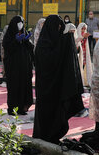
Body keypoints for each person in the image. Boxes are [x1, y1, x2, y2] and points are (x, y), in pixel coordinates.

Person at [33, 15, 84, 144]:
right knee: (45, 115)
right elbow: (49, 61)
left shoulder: (56, 43)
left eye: (61, 27)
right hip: (45, 90)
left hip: (56, 89)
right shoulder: (42, 45)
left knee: (57, 114)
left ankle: (53, 135)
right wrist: (65, 42)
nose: (60, 30)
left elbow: (61, 59)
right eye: (58, 27)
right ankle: (44, 137)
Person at [3, 16, 34, 115]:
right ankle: (13, 108)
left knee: (24, 86)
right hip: (13, 68)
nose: (21, 25)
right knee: (14, 87)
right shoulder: (9, 35)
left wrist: (27, 40)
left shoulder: (23, 33)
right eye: (19, 23)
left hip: (24, 67)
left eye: (22, 22)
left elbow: (30, 49)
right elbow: (7, 48)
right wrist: (15, 41)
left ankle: (22, 107)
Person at [75, 22, 93, 88]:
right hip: (79, 53)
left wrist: (85, 38)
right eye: (82, 29)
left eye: (84, 29)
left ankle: (83, 81)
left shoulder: (84, 35)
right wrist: (82, 38)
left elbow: (85, 44)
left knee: (83, 66)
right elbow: (77, 42)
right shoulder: (76, 35)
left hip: (84, 53)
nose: (83, 30)